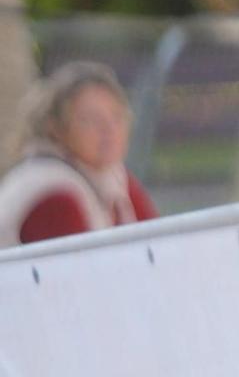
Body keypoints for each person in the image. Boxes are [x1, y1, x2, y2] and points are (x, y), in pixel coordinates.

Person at [0, 61, 158, 247]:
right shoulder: (54, 194)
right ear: (56, 128)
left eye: (116, 116)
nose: (108, 129)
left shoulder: (113, 178)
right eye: (91, 119)